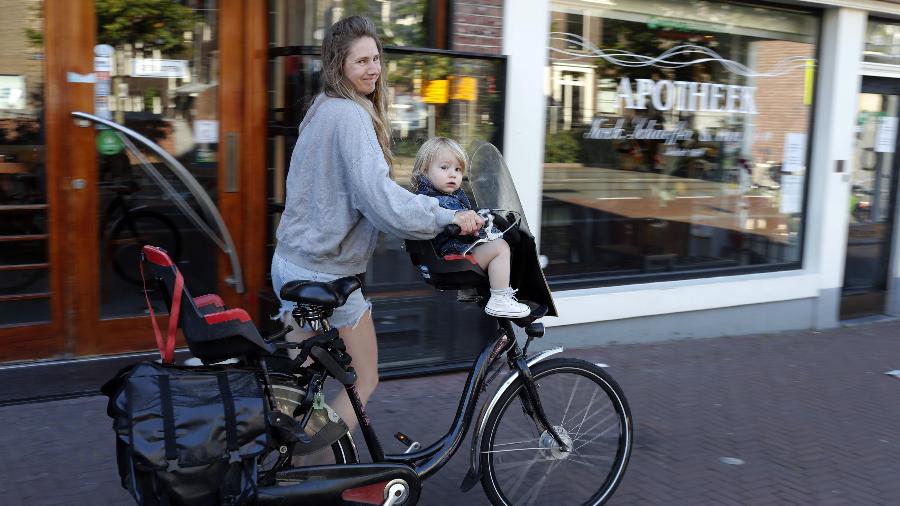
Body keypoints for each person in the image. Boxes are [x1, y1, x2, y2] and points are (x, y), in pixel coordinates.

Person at [271, 16, 484, 432]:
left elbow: (356, 191)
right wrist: (446, 217)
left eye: (376, 59)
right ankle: (305, 467)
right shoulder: (349, 116)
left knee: (298, 389)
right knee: (365, 379)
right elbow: (380, 200)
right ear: (338, 67)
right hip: (325, 273)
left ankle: (281, 467)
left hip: (291, 263)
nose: (373, 69)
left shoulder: (321, 110)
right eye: (360, 62)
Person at [412, 137, 531, 318]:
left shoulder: (445, 195)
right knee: (500, 248)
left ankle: (471, 290)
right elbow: (458, 220)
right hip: (452, 259)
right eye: (444, 167)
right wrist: (479, 224)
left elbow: (464, 214)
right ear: (424, 171)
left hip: (447, 255)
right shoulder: (435, 200)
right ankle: (500, 299)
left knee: (494, 243)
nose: (453, 174)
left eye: (458, 169)